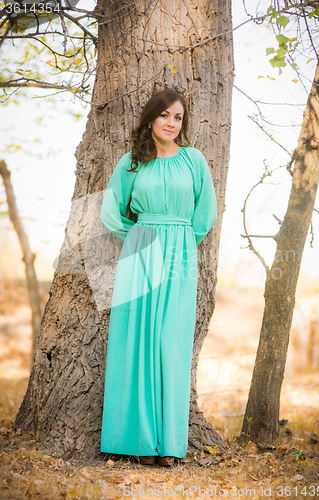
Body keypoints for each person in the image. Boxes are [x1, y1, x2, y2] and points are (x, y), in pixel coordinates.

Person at [100, 89, 217, 467]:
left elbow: (206, 213)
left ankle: (167, 444)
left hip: (180, 254)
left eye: (178, 117)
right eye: (165, 115)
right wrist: (138, 240)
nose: (171, 123)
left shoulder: (193, 160)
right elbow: (110, 211)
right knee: (136, 342)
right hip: (141, 253)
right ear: (151, 118)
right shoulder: (133, 162)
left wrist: (181, 242)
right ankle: (134, 441)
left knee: (171, 343)